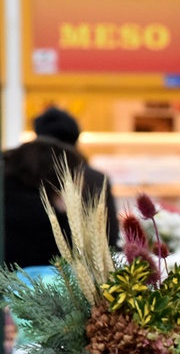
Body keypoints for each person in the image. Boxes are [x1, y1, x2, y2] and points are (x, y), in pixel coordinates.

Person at [3, 107, 119, 269]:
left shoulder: (11, 168)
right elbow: (109, 239)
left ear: (37, 133)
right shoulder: (91, 177)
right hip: (66, 284)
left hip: (9, 280)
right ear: (76, 138)